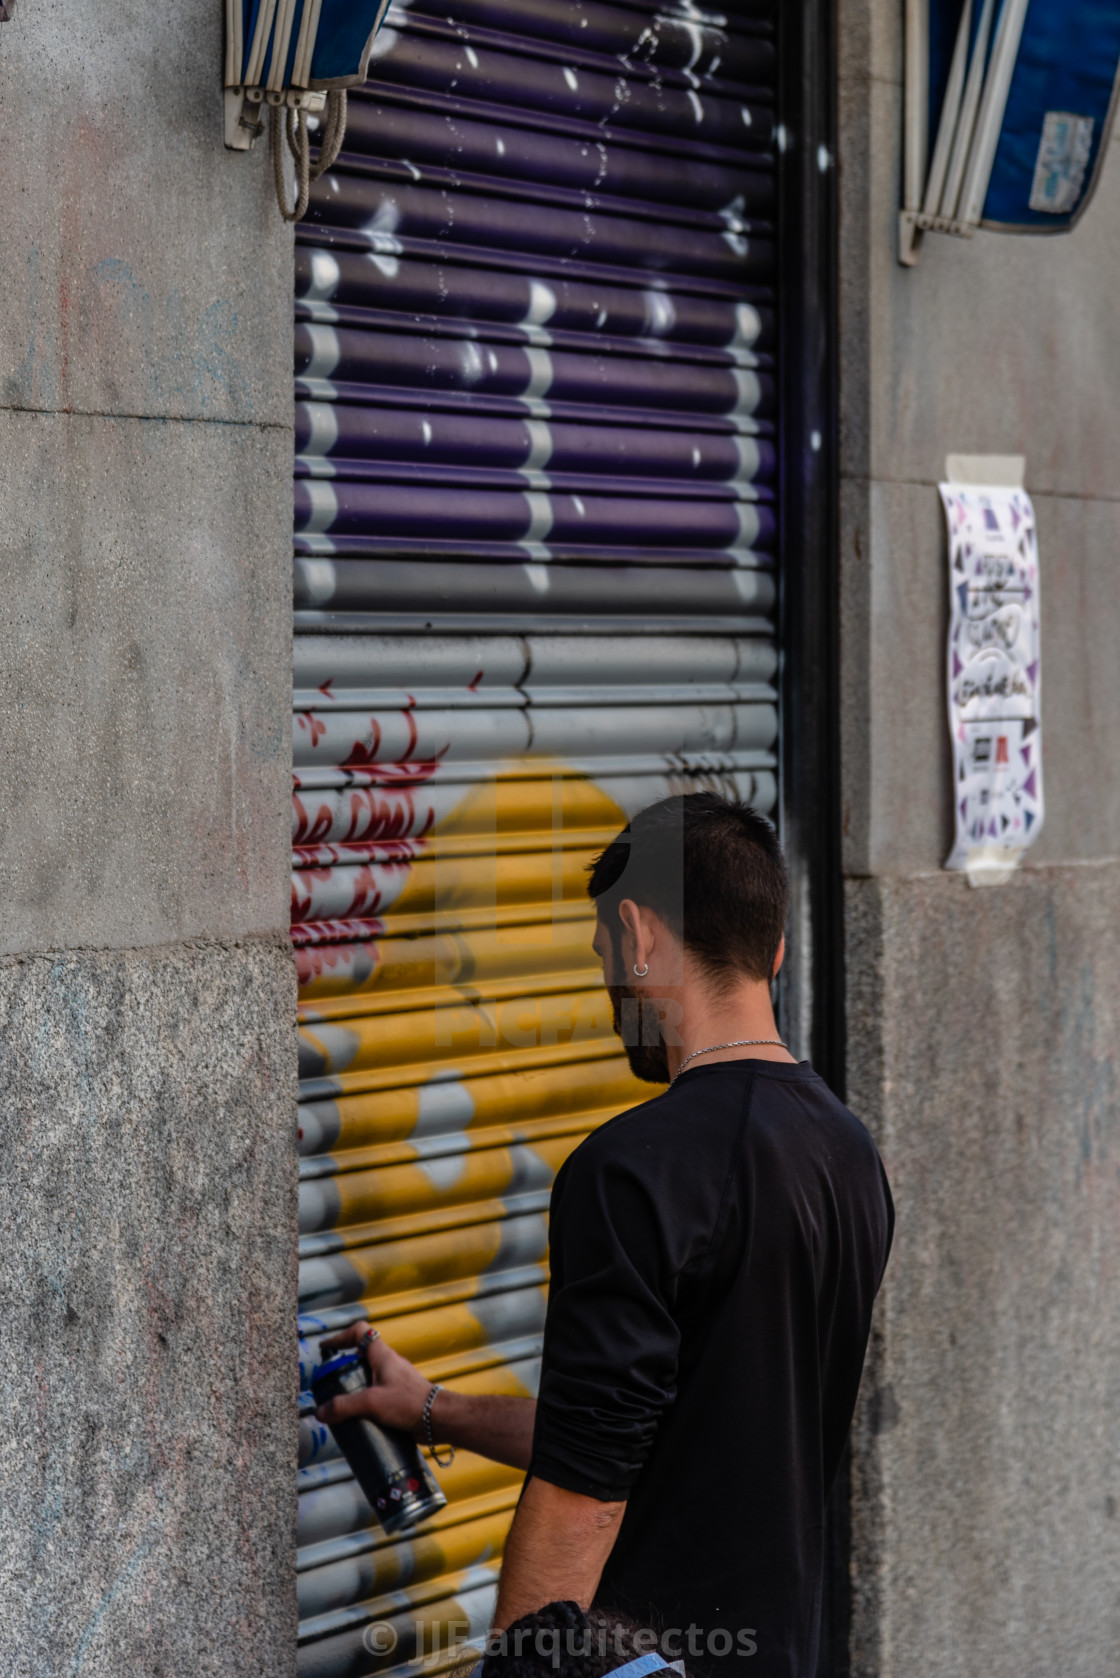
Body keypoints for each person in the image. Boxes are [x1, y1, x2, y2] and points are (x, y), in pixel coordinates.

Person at [317, 794, 894, 1677]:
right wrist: (434, 1411)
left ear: (639, 931)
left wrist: (517, 1670)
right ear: (772, 948)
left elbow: (583, 1495)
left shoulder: (634, 1169)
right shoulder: (848, 1154)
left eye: (602, 955)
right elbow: (656, 1425)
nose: (609, 987)